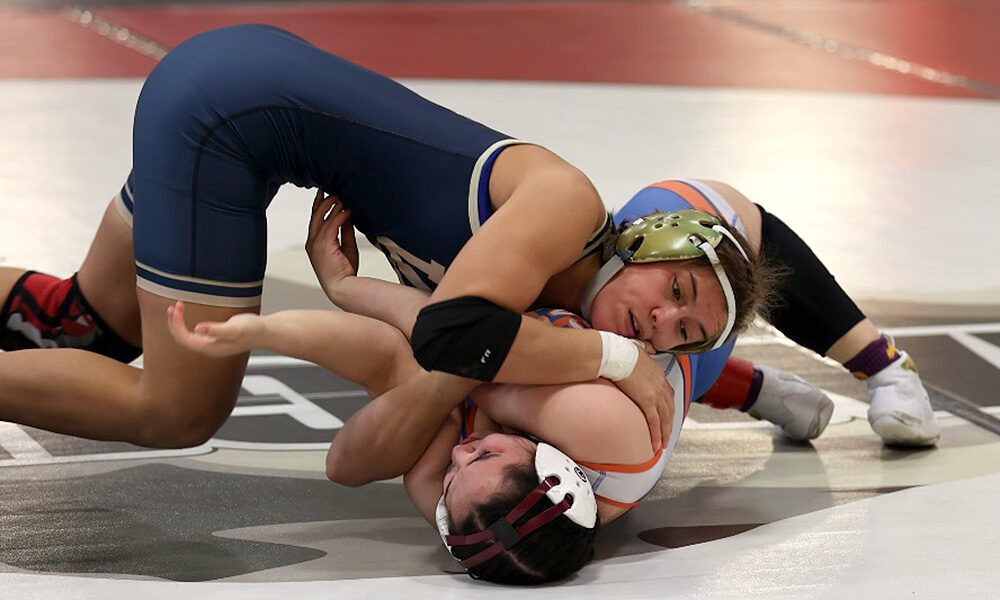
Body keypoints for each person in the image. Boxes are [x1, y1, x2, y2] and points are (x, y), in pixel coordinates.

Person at [0, 24, 934, 465]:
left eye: (680, 335)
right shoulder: (565, 206)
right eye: (677, 292)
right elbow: (455, 336)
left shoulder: (564, 306)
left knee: (84, 327)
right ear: (647, 242)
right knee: (176, 409)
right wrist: (616, 360)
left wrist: (746, 385)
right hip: (230, 117)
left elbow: (474, 343)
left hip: (238, 96)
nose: (659, 324)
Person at [165, 199, 734, 583]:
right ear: (551, 463)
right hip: (682, 358)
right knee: (711, 246)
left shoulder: (470, 509)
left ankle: (744, 381)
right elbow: (469, 347)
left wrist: (269, 329)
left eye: (452, 477)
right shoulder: (602, 430)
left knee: (404, 398)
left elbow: (383, 374)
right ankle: (746, 380)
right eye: (481, 456)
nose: (460, 456)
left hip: (557, 356)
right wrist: (346, 293)